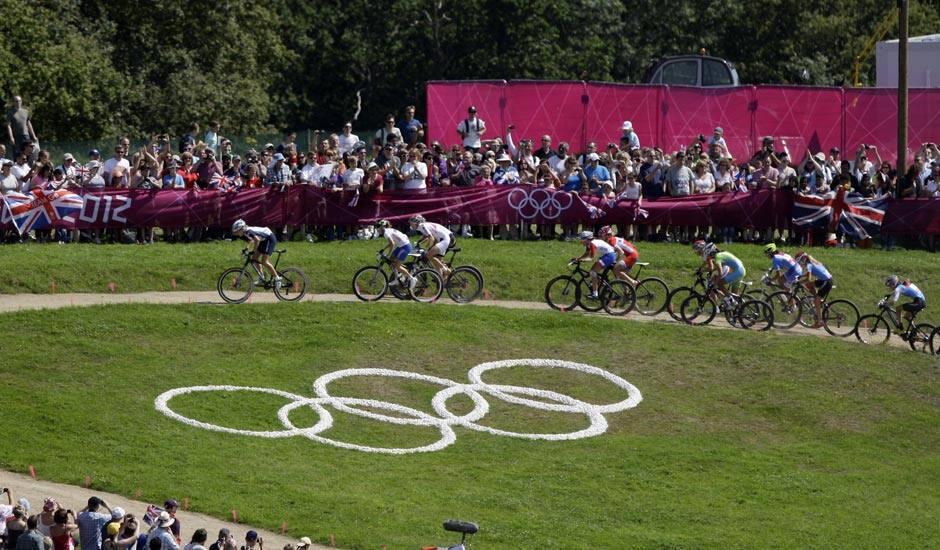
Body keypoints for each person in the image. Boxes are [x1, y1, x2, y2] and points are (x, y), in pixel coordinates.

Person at [231, 220, 280, 287]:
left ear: (242, 228)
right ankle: (262, 277)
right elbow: (250, 241)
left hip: (269, 238)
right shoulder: (244, 233)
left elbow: (257, 240)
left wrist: (254, 250)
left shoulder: (249, 231)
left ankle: (278, 279)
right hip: (263, 240)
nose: (236, 233)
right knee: (254, 258)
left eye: (237, 231)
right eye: (235, 232)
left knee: (264, 261)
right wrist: (246, 249)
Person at [571, 230, 617, 299]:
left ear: (587, 239)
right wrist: (577, 258)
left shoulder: (592, 243)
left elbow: (592, 258)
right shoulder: (590, 243)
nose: (581, 241)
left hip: (609, 256)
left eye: (582, 239)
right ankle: (600, 284)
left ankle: (595, 294)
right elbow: (586, 254)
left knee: (593, 272)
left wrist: (581, 260)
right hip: (608, 255)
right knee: (593, 272)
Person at [794, 251, 832, 328]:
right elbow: (808, 275)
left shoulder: (809, 265)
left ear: (804, 259)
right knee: (808, 285)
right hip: (824, 280)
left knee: (816, 301)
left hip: (826, 282)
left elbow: (808, 278)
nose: (800, 263)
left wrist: (799, 282)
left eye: (800, 261)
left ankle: (820, 321)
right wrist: (800, 277)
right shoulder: (811, 262)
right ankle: (816, 298)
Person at [373, 220, 416, 289]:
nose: (377, 229)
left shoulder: (386, 233)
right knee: (391, 260)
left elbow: (392, 244)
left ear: (382, 226)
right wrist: (383, 249)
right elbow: (391, 243)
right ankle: (397, 279)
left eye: (378, 227)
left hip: (405, 247)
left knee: (397, 266)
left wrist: (388, 254)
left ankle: (411, 278)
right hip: (401, 246)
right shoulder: (387, 231)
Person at [409, 214, 454, 279]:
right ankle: (441, 282)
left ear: (417, 222)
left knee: (429, 255)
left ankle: (446, 270)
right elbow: (426, 237)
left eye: (411, 223)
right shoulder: (423, 226)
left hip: (444, 239)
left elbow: (431, 237)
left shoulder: (422, 225)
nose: (410, 225)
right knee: (436, 263)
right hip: (443, 239)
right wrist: (418, 243)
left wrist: (429, 249)